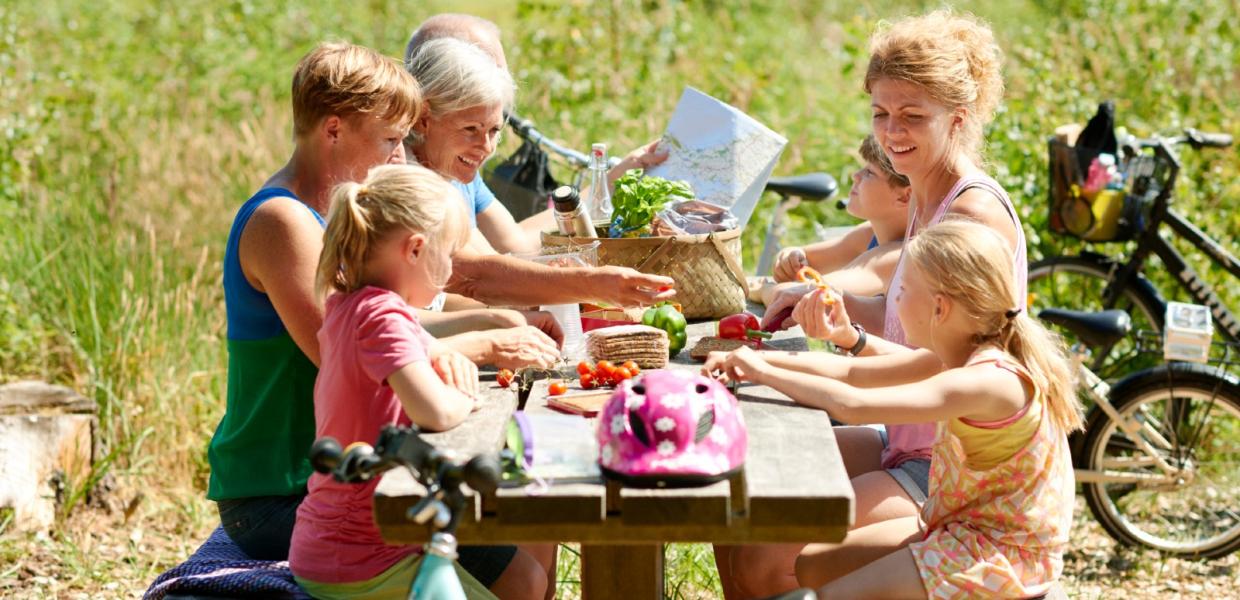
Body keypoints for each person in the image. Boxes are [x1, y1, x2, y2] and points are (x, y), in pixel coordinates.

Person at [207, 41, 562, 567]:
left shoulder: (332, 213)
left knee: (532, 532)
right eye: (391, 140)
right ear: (333, 130)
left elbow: (386, 321)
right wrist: (484, 341)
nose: (399, 157)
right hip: (284, 489)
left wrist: (492, 318)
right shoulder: (282, 221)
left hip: (345, 470)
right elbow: (342, 351)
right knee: (515, 566)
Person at [716, 10, 1027, 597]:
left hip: (948, 465)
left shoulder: (972, 216)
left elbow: (950, 367)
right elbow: (922, 342)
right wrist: (847, 329)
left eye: (913, 116)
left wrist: (784, 363)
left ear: (958, 119)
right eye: (881, 113)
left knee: (764, 557)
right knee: (738, 493)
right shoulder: (922, 197)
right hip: (903, 436)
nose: (892, 132)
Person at [706, 220, 1079, 597]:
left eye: (902, 290)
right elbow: (851, 370)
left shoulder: (985, 381)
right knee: (811, 564)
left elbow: (853, 405)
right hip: (955, 526)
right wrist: (754, 361)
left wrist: (759, 370)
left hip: (994, 553)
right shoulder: (962, 354)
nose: (894, 300)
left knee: (830, 596)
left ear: (939, 308)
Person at [289, 164, 548, 600]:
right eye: (447, 256)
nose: (449, 272)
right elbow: (435, 410)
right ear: (414, 249)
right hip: (363, 550)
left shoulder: (351, 305)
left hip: (360, 533)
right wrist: (463, 395)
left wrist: (446, 356)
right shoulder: (380, 315)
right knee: (523, 578)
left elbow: (425, 350)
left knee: (526, 577)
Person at [402, 35, 676, 309]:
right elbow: (474, 279)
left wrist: (614, 179)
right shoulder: (406, 181)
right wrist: (587, 285)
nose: (485, 147)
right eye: (470, 129)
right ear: (425, 118)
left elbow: (513, 247)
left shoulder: (448, 171)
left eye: (494, 130)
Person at [754, 134, 910, 306]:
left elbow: (801, 297)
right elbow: (807, 258)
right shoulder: (870, 233)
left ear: (905, 196)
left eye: (869, 173)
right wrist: (790, 256)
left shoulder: (901, 255)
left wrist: (761, 289)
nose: (855, 176)